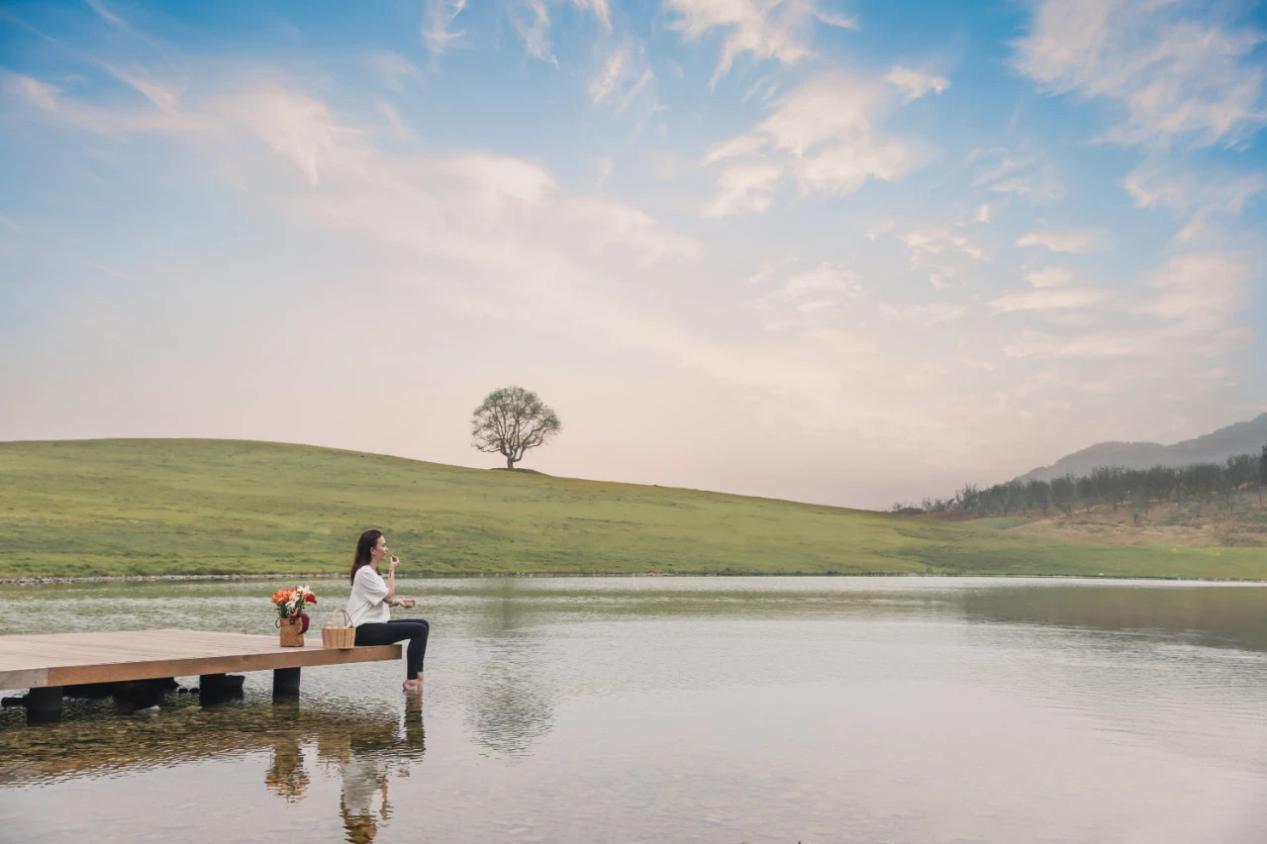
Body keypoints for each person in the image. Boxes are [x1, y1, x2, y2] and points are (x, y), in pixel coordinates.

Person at [347, 529, 430, 692]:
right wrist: (392, 570)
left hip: (372, 625)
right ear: (372, 550)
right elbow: (389, 594)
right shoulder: (364, 573)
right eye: (383, 545)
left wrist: (398, 602)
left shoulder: (372, 572)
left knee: (423, 624)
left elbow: (384, 599)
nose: (386, 549)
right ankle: (412, 681)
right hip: (361, 630)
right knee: (418, 630)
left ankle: (418, 678)